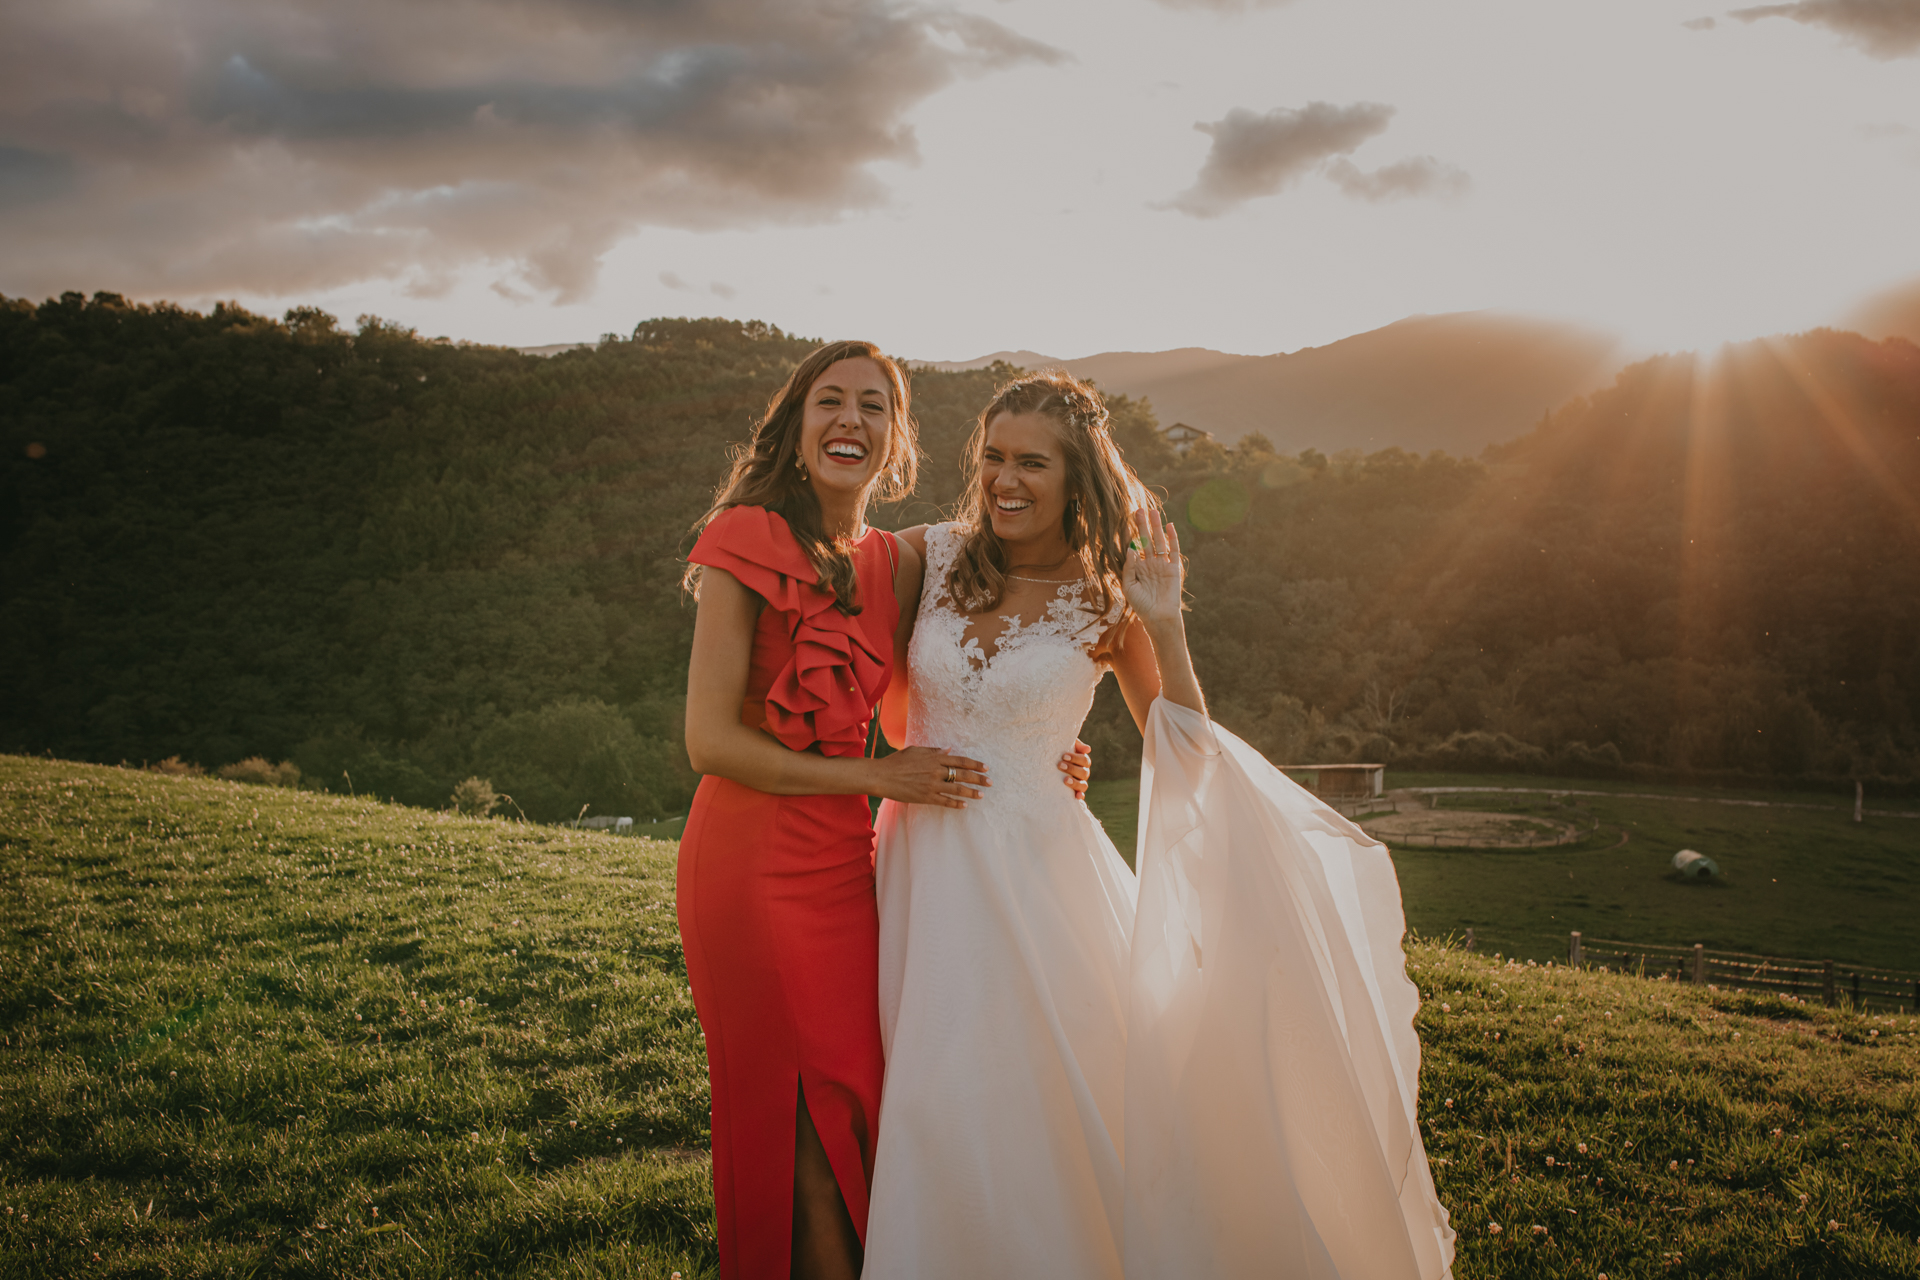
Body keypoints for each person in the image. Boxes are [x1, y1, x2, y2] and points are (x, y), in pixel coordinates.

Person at [864, 372, 1456, 1278]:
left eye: (1032, 462)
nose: (1005, 480)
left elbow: (1181, 743)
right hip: (919, 862)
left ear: (1076, 477)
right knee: (928, 1093)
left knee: (1028, 1097)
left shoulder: (1108, 598)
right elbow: (883, 697)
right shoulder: (927, 556)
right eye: (992, 458)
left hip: (1039, 878)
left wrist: (1167, 626)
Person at [677, 343, 1092, 1280]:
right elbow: (709, 743)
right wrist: (877, 780)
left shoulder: (892, 566)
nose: (849, 420)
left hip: (847, 868)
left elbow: (915, 713)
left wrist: (1033, 746)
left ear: (898, 439)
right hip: (749, 863)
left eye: (874, 405)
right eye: (830, 401)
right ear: (797, 424)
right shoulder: (742, 536)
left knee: (858, 1099)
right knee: (803, 1132)